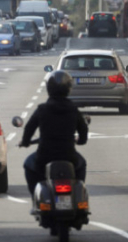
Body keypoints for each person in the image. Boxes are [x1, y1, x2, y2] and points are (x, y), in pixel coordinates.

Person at [19, 70, 89, 198]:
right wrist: (81, 140)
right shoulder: (73, 109)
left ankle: (36, 197)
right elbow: (83, 131)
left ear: (49, 88)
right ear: (68, 88)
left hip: (44, 157)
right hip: (69, 156)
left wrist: (25, 142)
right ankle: (78, 197)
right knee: (82, 164)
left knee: (28, 165)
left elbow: (29, 128)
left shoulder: (42, 109)